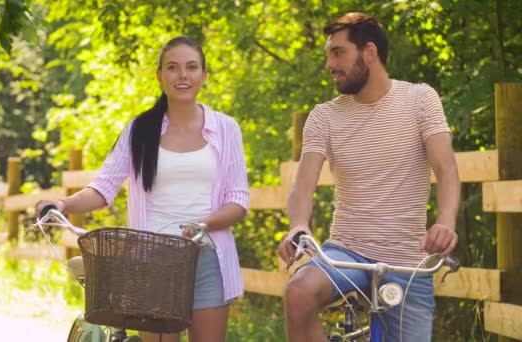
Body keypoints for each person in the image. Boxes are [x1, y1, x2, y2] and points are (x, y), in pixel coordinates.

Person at [36, 36, 249, 342]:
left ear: (204, 75)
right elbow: (103, 188)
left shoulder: (226, 129)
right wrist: (63, 203)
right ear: (160, 75)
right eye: (173, 68)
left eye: (191, 67)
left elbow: (238, 201)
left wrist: (203, 225)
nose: (182, 75)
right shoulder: (140, 130)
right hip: (151, 259)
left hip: (207, 256)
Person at [277, 13, 460, 342]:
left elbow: (446, 169)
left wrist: (445, 222)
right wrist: (299, 225)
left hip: (408, 262)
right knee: (298, 292)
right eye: (328, 54)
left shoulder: (420, 100)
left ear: (370, 52)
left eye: (338, 52)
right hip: (346, 253)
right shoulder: (324, 117)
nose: (329, 64)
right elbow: (303, 185)